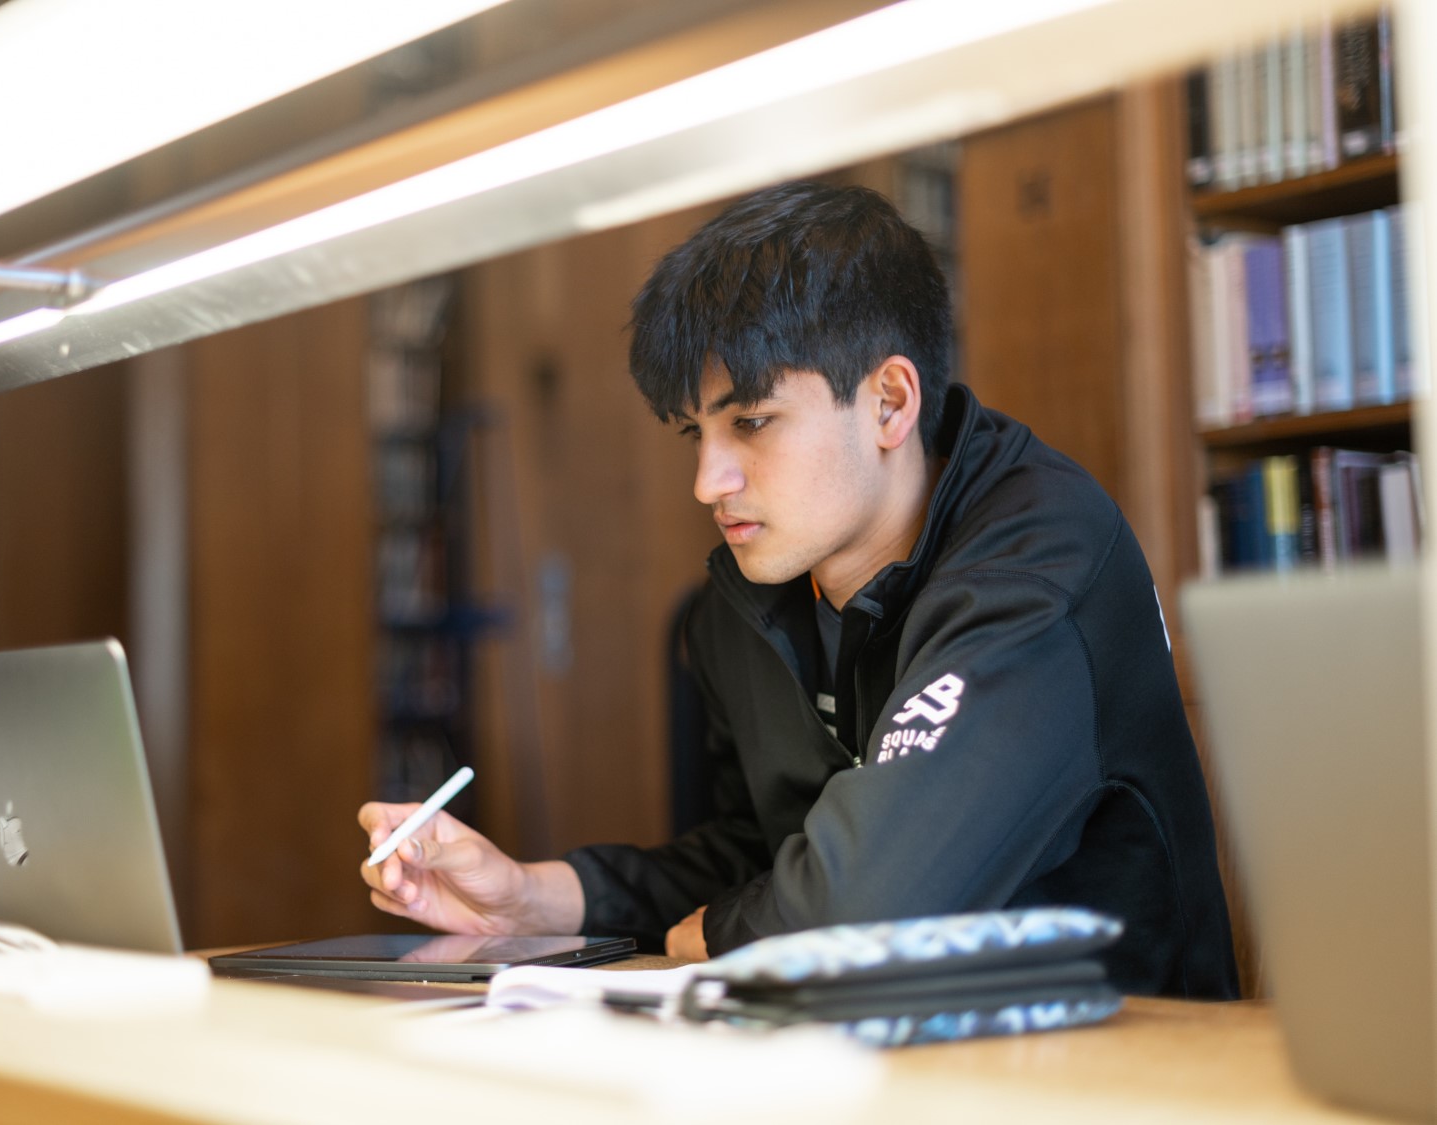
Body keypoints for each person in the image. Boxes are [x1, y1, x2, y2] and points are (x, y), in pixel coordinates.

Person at [358, 180, 1239, 998]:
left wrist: (722, 934)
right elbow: (761, 857)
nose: (709, 480)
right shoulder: (748, 598)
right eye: (693, 434)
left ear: (891, 403)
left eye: (751, 422)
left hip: (1123, 1063)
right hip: (891, 1065)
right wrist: (528, 900)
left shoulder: (1037, 560)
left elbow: (863, 908)